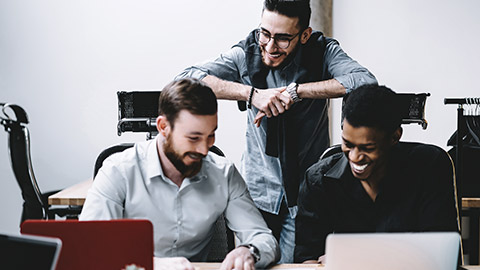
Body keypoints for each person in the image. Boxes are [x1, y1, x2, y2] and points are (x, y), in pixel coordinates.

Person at [176, 0, 377, 263]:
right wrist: (251, 94)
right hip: (257, 192)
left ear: (304, 35)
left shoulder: (323, 51)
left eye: (283, 39)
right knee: (251, 262)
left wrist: (298, 91)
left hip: (305, 193)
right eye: (265, 34)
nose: (270, 47)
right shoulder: (246, 53)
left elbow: (365, 81)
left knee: (293, 266)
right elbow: (186, 78)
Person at [80, 78, 279, 270]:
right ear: (163, 127)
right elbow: (88, 247)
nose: (204, 149)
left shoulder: (224, 173)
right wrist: (151, 264)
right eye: (193, 138)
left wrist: (249, 251)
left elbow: (263, 238)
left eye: (210, 135)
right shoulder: (118, 170)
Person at [294, 85, 459, 263]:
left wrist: (355, 258)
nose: (355, 157)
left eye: (368, 148)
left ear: (395, 137)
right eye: (347, 144)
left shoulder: (429, 167)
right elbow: (306, 259)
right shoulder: (318, 180)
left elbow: (441, 252)